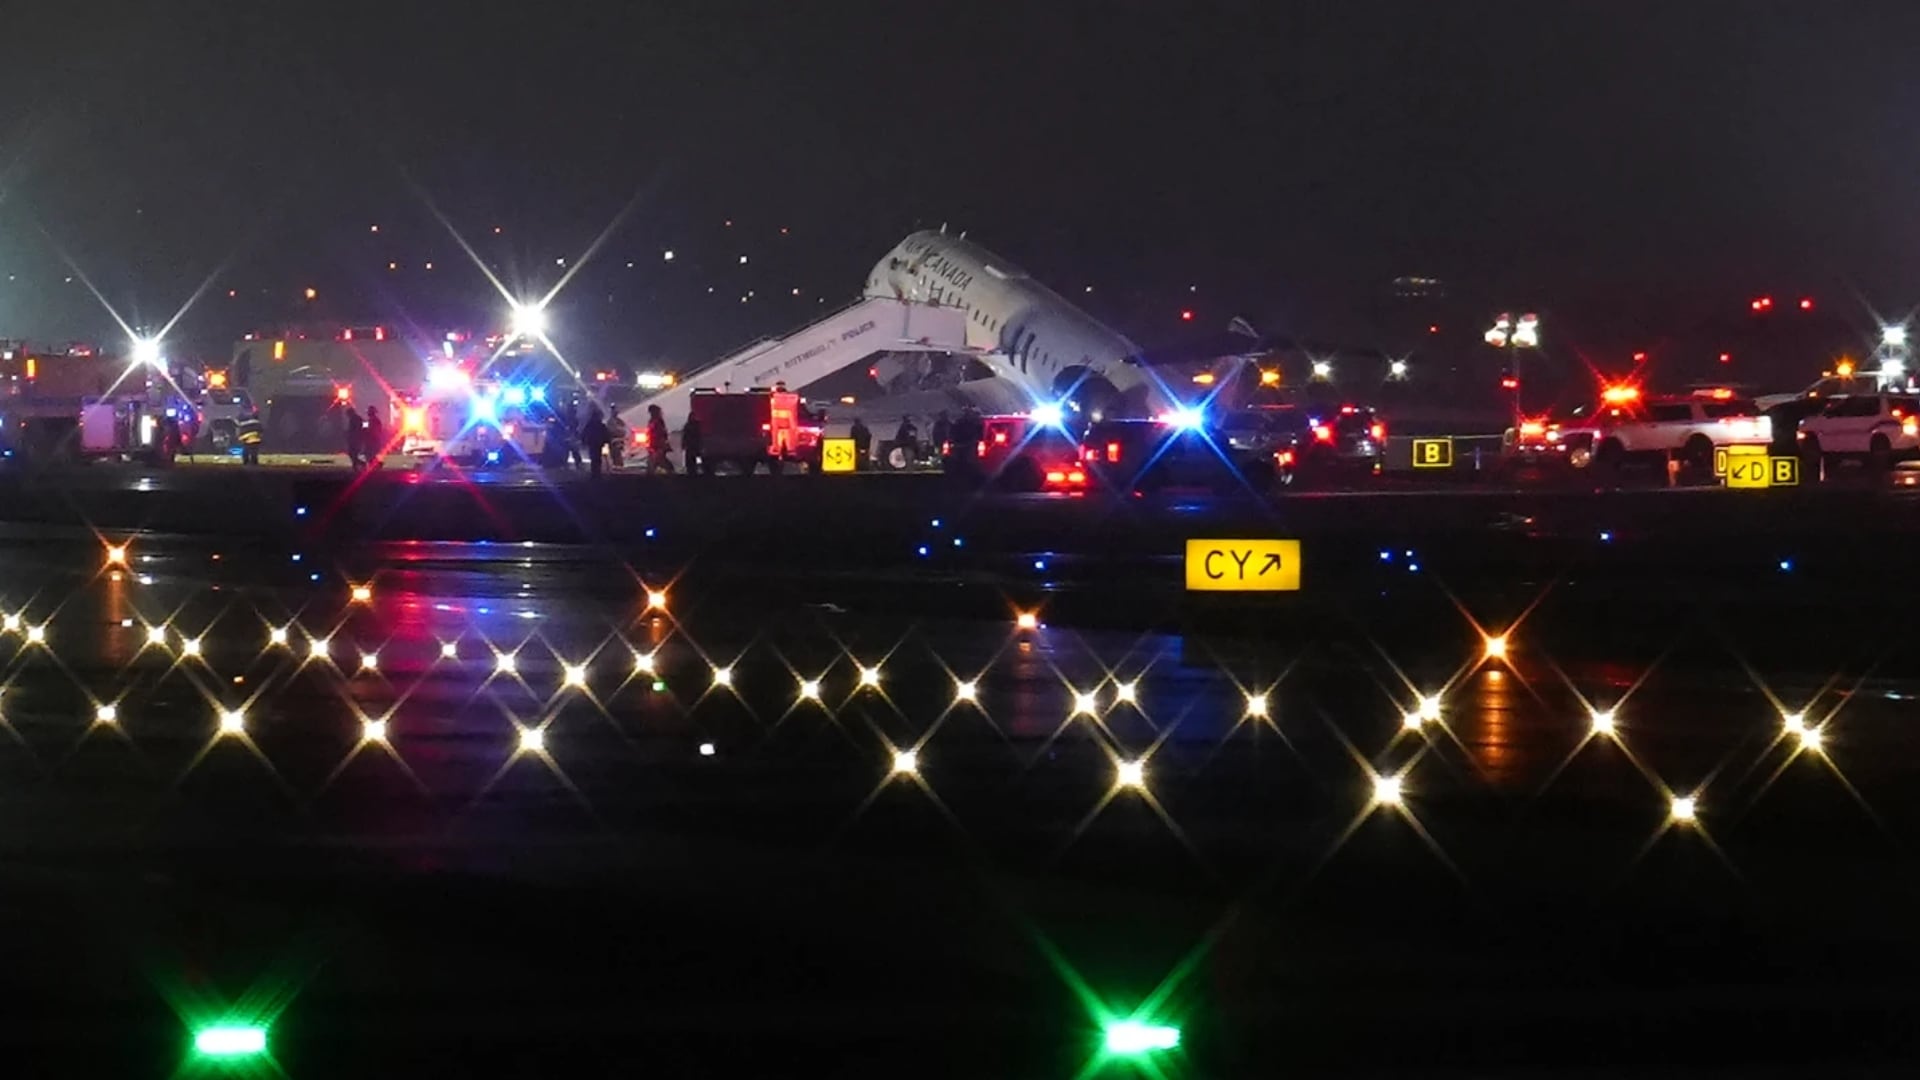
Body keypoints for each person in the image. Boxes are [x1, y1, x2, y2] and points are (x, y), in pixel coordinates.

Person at [580, 405, 611, 479]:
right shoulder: (600, 425)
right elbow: (605, 433)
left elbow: (584, 433)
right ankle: (597, 473)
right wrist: (607, 441)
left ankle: (595, 473)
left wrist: (583, 441)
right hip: (598, 443)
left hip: (593, 443)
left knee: (594, 458)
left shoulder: (590, 425)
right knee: (597, 458)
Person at [646, 404, 674, 474]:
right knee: (656, 460)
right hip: (655, 444)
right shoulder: (654, 421)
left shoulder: (657, 421)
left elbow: (661, 433)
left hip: (658, 444)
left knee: (658, 460)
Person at [562, 400, 584, 469]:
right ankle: (578, 463)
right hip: (571, 436)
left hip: (569, 436)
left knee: (568, 451)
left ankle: (565, 464)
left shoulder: (566, 417)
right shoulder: (573, 417)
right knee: (573, 451)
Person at [363, 406, 385, 470]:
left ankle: (377, 464)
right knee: (369, 454)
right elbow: (364, 430)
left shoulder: (375, 421)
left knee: (370, 454)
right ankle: (375, 465)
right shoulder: (369, 421)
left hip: (373, 440)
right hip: (372, 440)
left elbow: (367, 430)